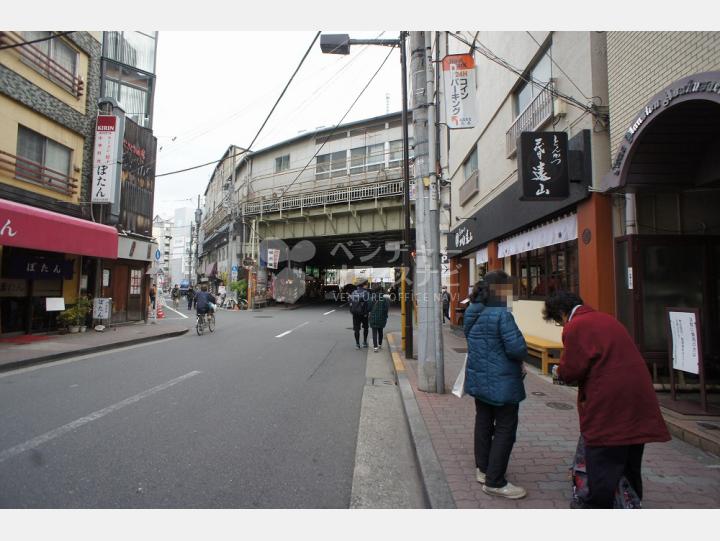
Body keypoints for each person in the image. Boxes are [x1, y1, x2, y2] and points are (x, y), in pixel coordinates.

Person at [542, 291, 671, 509]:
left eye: (558, 321)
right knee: (630, 453)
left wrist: (559, 372)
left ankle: (598, 505)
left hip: (610, 399)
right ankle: (630, 498)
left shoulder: (576, 326)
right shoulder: (606, 318)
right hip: (638, 393)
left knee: (603, 455)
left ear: (563, 313)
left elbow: (572, 369)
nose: (560, 325)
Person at [463, 270, 528, 500]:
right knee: (505, 429)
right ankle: (495, 481)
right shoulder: (502, 315)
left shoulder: (472, 311)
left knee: (483, 422)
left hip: (479, 377)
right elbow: (517, 348)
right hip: (502, 381)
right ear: (500, 290)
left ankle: (483, 468)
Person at [349, 279, 370, 349]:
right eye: (366, 284)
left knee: (356, 329)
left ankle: (357, 344)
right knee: (366, 328)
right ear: (364, 285)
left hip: (355, 314)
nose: (367, 285)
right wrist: (368, 312)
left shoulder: (353, 292)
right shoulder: (366, 293)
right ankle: (364, 342)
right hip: (364, 314)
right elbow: (368, 303)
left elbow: (350, 302)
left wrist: (352, 311)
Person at [368, 284, 389, 352]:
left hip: (373, 317)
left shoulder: (371, 298)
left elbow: (369, 308)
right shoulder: (385, 298)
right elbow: (386, 309)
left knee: (374, 332)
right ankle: (380, 344)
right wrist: (385, 316)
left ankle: (375, 347)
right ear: (381, 290)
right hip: (382, 317)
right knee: (380, 331)